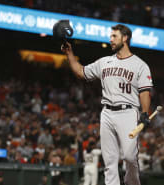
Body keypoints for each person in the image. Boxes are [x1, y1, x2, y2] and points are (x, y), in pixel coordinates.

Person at [61, 24, 153, 185]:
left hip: (128, 112)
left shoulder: (140, 65)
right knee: (109, 161)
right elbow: (81, 72)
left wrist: (145, 112)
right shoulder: (105, 61)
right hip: (107, 113)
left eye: (114, 36)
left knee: (130, 157)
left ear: (125, 38)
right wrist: (70, 54)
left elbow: (145, 91)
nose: (110, 40)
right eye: (110, 36)